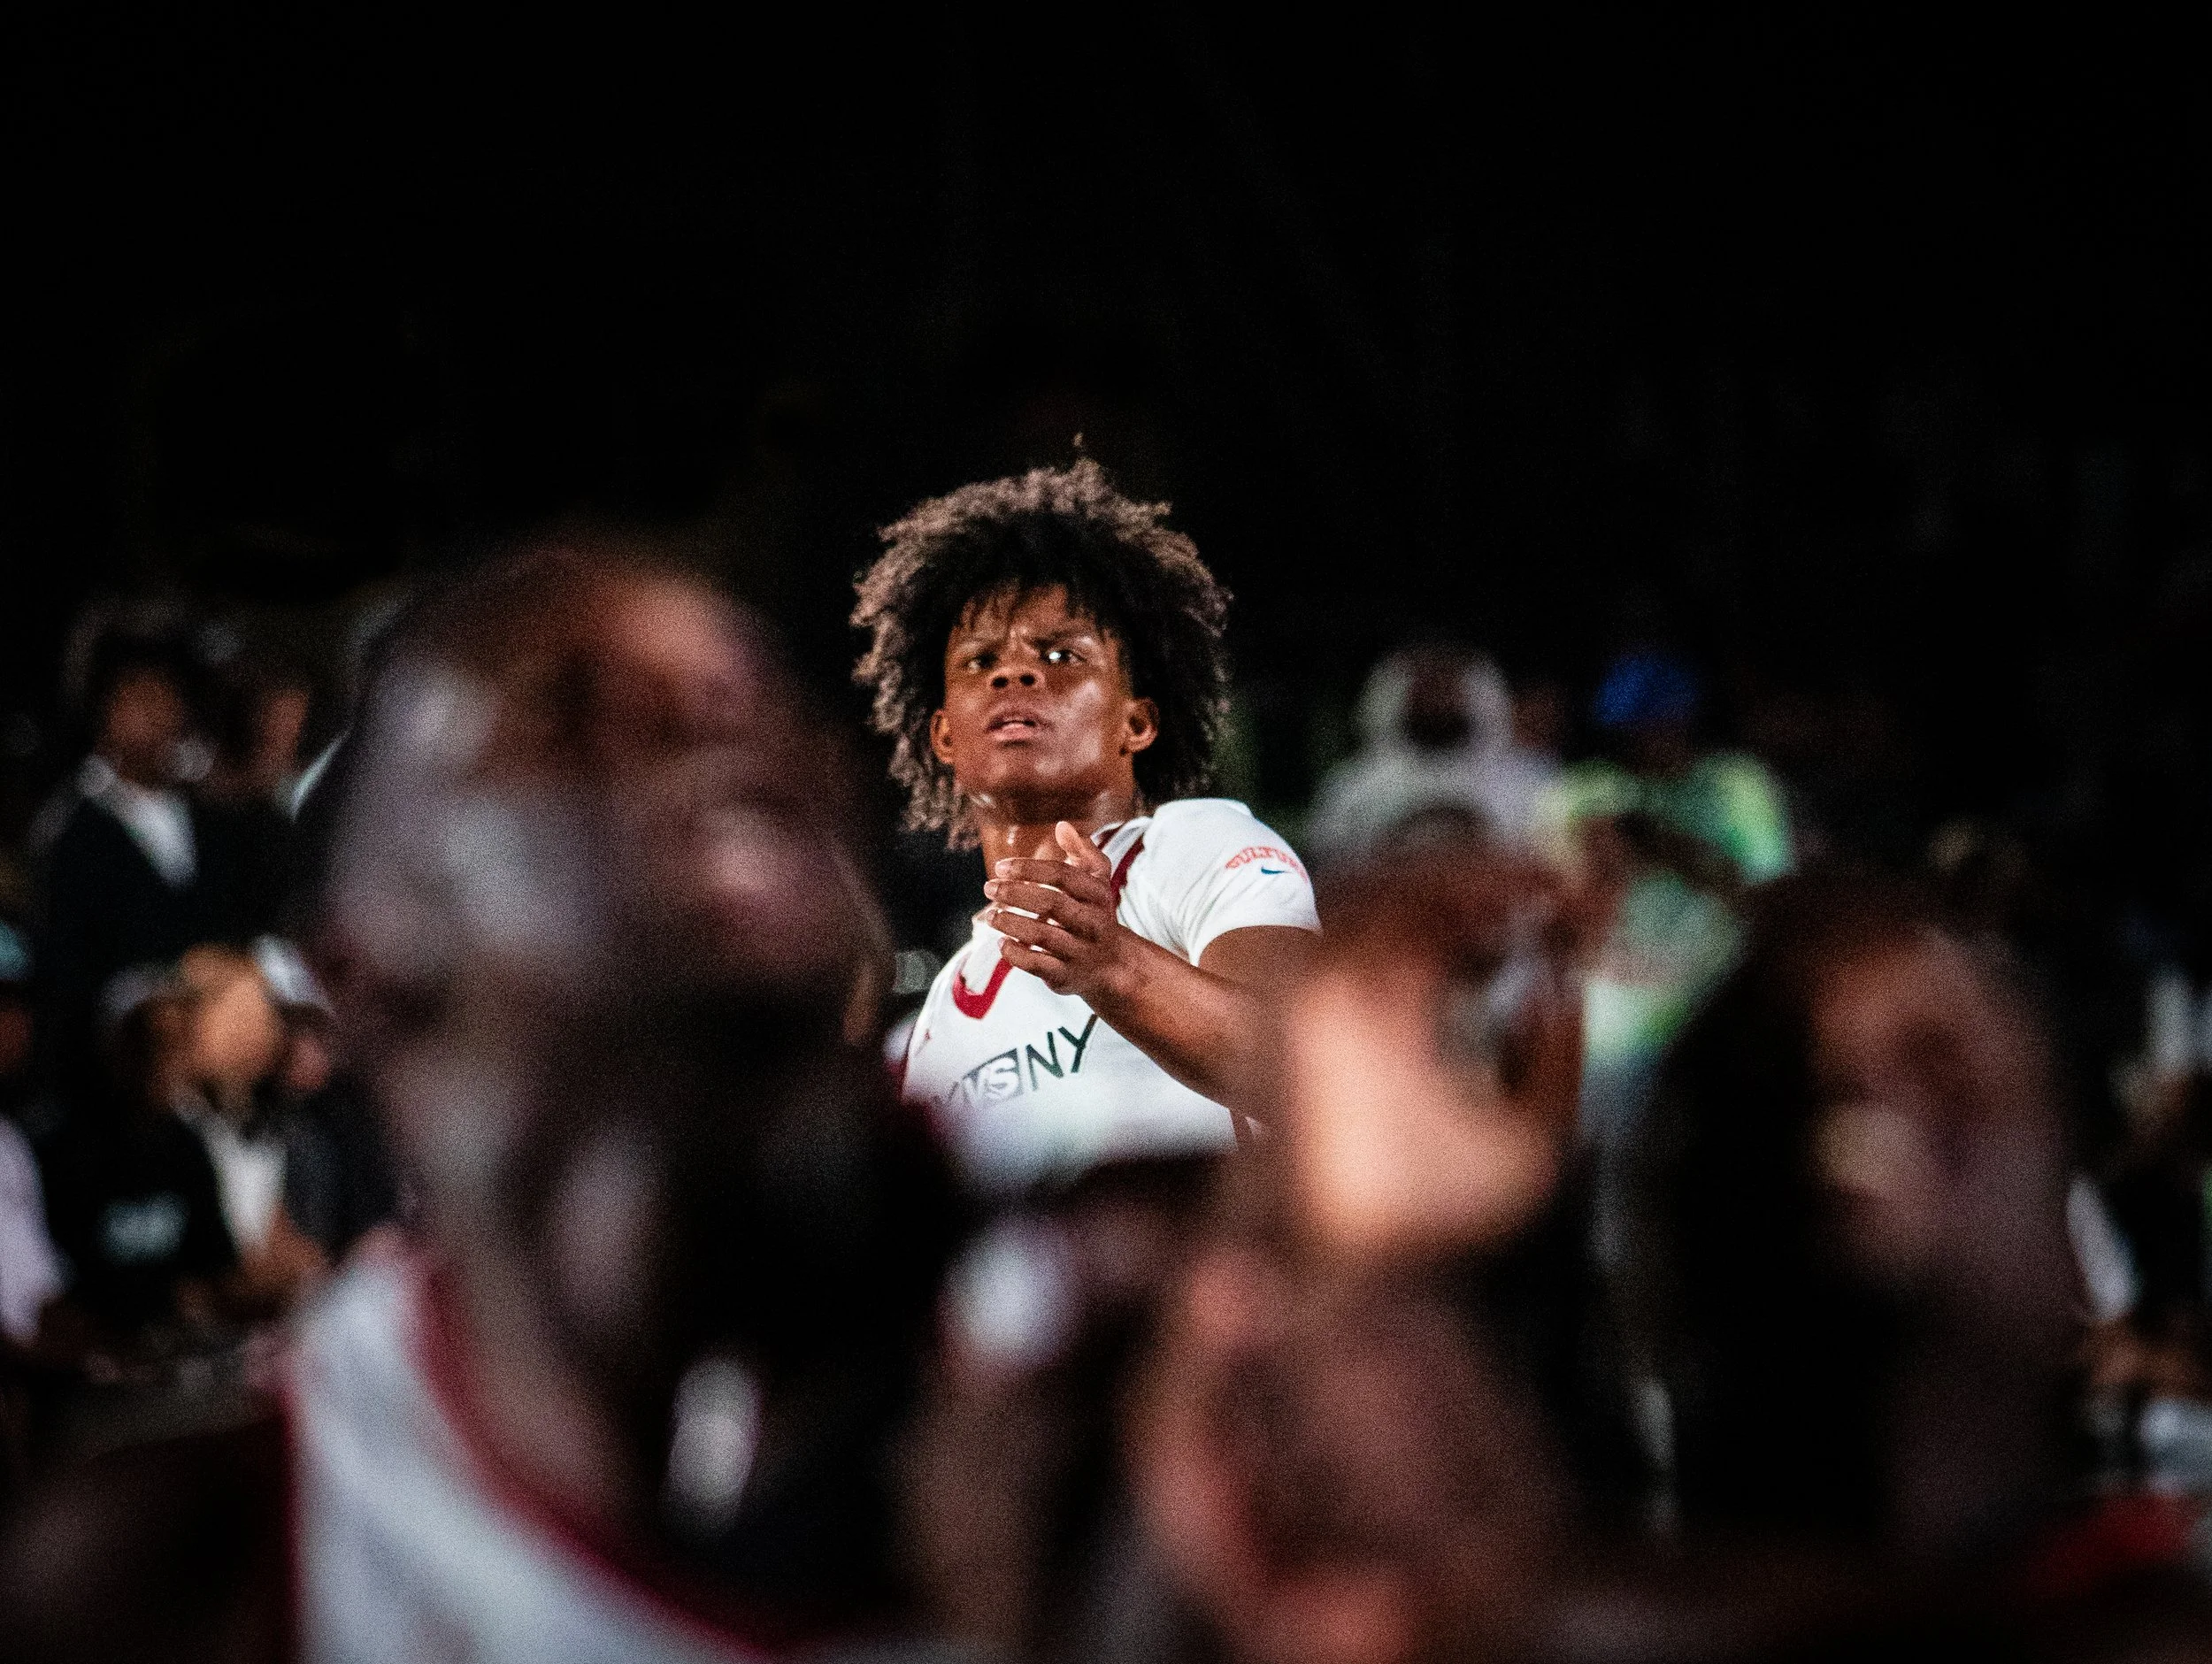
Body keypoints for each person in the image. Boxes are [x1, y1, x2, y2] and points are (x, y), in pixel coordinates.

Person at [0, 546, 955, 1663]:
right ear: (369, 975)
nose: (712, 738)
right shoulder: (189, 1564)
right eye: (572, 719)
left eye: (747, 706)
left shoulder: (1100, 1365)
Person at [853, 460, 1319, 1191]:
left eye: (1061, 654)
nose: (1015, 675)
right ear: (944, 736)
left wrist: (1113, 967)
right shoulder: (935, 1021)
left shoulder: (1203, 846)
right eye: (981, 662)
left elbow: (1307, 1062)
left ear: (1135, 721)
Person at [33, 637, 242, 1104]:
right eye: (137, 699)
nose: (155, 716)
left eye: (165, 699)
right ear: (104, 711)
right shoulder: (73, 830)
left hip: (217, 1073)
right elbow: (65, 974)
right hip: (115, 1088)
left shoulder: (209, 817)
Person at [1307, 643, 1558, 865]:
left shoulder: (1531, 783)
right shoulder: (1351, 786)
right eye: (1427, 692)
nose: (1438, 702)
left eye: (1448, 692)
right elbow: (1333, 869)